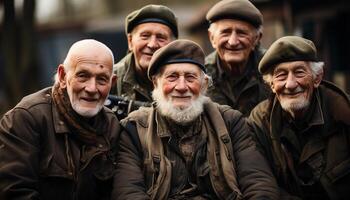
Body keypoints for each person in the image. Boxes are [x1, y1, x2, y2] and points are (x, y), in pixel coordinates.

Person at [112, 39, 279, 199]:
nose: (182, 87)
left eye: (190, 77)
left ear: (204, 84)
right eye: (172, 77)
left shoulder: (231, 121)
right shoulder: (134, 128)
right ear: (156, 83)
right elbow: (128, 192)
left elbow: (258, 181)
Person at [0, 39, 121, 200]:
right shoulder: (26, 118)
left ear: (112, 83)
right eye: (83, 76)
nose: (92, 88)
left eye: (101, 79)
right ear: (63, 76)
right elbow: (14, 192)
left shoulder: (111, 124)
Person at [248, 36, 350, 199]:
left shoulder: (343, 113)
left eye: (299, 72)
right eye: (281, 75)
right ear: (272, 85)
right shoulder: (260, 121)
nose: (290, 84)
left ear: (317, 78)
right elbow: (258, 180)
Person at [205, 0, 270, 116]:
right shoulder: (199, 74)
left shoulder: (272, 69)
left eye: (241, 33)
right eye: (225, 32)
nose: (233, 42)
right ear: (212, 38)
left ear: (256, 39)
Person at [111, 4, 178, 102]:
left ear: (173, 45)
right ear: (130, 41)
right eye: (145, 36)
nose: (152, 44)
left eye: (161, 37)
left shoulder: (185, 80)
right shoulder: (110, 80)